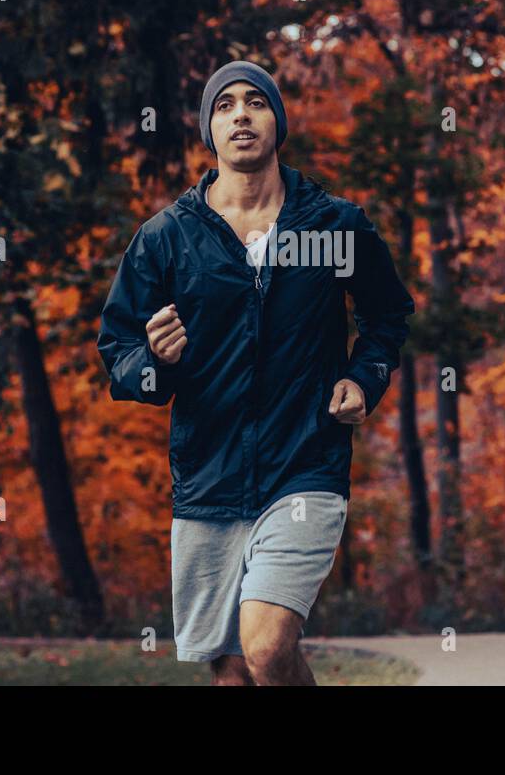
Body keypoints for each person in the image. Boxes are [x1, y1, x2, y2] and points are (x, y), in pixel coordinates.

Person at [96, 59, 415, 685]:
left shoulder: (332, 227)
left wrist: (365, 377)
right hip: (208, 479)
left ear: (278, 121)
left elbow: (387, 315)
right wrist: (154, 366)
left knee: (267, 646)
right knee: (234, 673)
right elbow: (118, 348)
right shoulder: (168, 237)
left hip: (305, 462)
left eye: (255, 102)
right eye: (224, 106)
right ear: (209, 132)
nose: (240, 114)